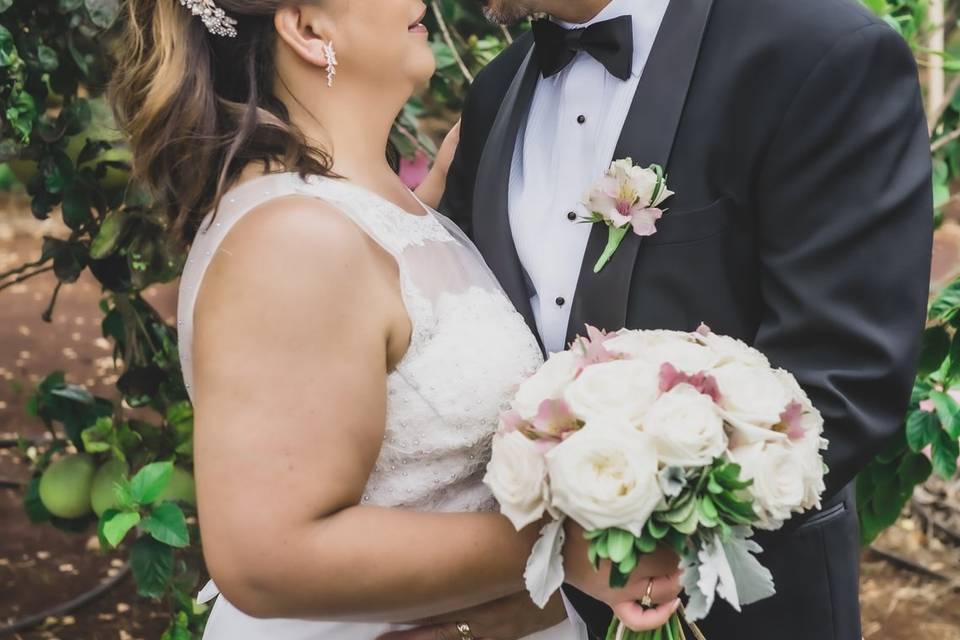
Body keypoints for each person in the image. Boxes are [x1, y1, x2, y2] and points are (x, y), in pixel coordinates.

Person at [107, 1, 685, 639]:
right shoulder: (294, 239)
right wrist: (571, 551)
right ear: (307, 29)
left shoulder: (394, 209)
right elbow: (267, 556)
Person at [436, 0, 934, 638]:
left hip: (742, 608)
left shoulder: (821, 51)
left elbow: (846, 372)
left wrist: (634, 543)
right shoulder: (499, 90)